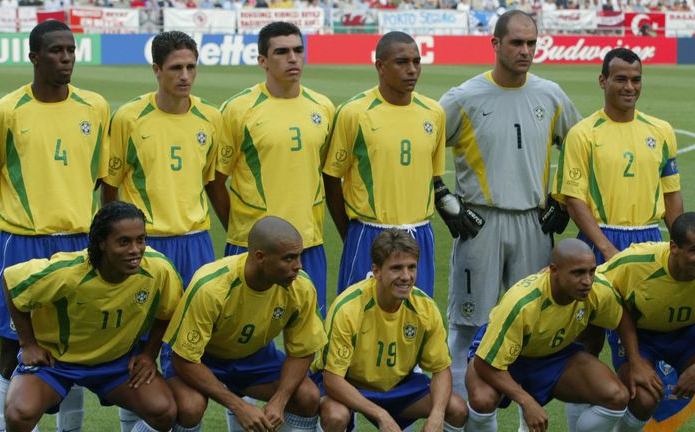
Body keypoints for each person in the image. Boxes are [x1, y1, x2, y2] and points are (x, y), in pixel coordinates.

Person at [0, 20, 110, 432]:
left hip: (79, 243)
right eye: (56, 51)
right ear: (33, 56)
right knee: (13, 344)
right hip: (23, 243)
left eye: (70, 50)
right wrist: (21, 216)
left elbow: (100, 175)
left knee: (75, 343)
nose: (66, 58)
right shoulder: (6, 111)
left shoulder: (96, 107)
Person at [438, 9, 582, 398]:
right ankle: (461, 415)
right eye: (517, 42)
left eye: (531, 43)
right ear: (495, 43)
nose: (525, 50)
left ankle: (525, 419)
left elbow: (579, 145)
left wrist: (563, 199)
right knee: (468, 323)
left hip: (535, 224)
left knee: (533, 322)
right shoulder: (464, 97)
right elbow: (426, 144)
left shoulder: (550, 94)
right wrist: (442, 196)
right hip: (480, 223)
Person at [103, 30, 222, 431]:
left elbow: (208, 180)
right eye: (175, 68)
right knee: (138, 344)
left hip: (196, 242)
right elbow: (112, 187)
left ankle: (187, 417)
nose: (185, 75)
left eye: (191, 67)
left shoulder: (211, 117)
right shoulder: (129, 118)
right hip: (147, 247)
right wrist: (114, 248)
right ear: (156, 70)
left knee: (192, 346)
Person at [2, 201, 183, 432]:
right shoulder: (67, 272)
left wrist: (149, 354)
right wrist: (28, 344)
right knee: (19, 414)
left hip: (116, 362)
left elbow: (168, 310)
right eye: (124, 242)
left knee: (164, 411)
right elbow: (11, 281)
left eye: (141, 239)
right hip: (56, 362)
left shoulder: (159, 269)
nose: (136, 250)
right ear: (102, 243)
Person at [464, 238, 662, 432]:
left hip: (556, 355)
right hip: (504, 359)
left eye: (591, 271)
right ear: (554, 271)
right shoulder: (522, 303)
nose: (587, 281)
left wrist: (635, 362)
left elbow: (621, 319)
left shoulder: (597, 289)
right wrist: (526, 401)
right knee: (483, 399)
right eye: (577, 273)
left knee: (616, 396)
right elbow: (485, 363)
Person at [208, 21, 335, 315]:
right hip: (253, 246)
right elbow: (216, 181)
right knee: (243, 328)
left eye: (298, 50)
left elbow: (327, 173)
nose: (292, 58)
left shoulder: (324, 107)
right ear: (262, 61)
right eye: (281, 51)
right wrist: (241, 231)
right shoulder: (238, 109)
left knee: (310, 330)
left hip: (308, 242)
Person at [163, 216, 327, 432]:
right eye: (288, 258)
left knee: (308, 396)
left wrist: (279, 400)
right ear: (260, 257)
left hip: (254, 357)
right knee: (190, 407)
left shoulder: (301, 287)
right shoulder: (211, 287)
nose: (298, 266)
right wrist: (238, 405)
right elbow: (183, 359)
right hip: (200, 359)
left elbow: (302, 351)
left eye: (299, 256)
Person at [323, 31, 446, 297]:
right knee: (361, 319)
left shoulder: (434, 112)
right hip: (369, 232)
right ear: (380, 66)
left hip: (420, 233)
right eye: (402, 62)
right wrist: (352, 232)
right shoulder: (353, 113)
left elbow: (435, 177)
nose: (412, 70)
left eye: (416, 61)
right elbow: (331, 177)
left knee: (416, 320)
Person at [600, 212, 695, 432]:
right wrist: (635, 360)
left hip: (689, 332)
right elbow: (594, 286)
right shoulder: (634, 264)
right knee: (644, 397)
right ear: (674, 247)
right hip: (639, 336)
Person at [316, 229, 468, 431]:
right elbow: (332, 379)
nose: (406, 276)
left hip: (398, 386)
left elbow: (440, 369)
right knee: (336, 416)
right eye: (396, 268)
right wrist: (381, 414)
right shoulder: (348, 309)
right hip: (350, 384)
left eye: (411, 267)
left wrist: (436, 416)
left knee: (456, 409)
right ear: (376, 270)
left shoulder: (425, 308)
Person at [553, 47, 683, 265]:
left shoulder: (662, 131)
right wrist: (606, 248)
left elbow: (671, 194)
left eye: (636, 80)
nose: (630, 87)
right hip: (601, 239)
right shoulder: (582, 134)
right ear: (603, 81)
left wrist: (682, 244)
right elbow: (573, 200)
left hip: (650, 238)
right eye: (621, 79)